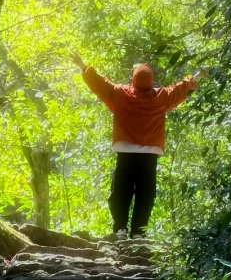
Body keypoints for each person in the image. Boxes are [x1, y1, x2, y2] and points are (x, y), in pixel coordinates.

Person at [71, 52, 198, 236]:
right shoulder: (160, 97)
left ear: (133, 79)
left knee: (121, 192)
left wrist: (83, 66)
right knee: (145, 195)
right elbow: (179, 90)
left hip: (126, 153)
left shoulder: (121, 94)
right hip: (150, 155)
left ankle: (120, 229)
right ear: (151, 80)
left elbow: (99, 83)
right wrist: (191, 80)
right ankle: (139, 232)